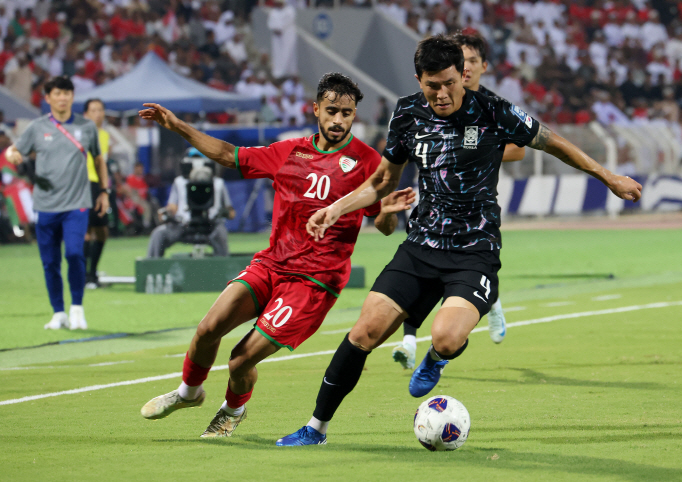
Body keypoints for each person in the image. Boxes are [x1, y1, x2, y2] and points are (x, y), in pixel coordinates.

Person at [277, 35, 642, 446]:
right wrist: (337, 208)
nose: (442, 93)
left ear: (461, 76)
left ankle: (435, 359)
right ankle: (315, 428)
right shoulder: (407, 112)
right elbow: (383, 180)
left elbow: (552, 141)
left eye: (449, 82)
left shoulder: (493, 109)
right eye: (432, 85)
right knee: (364, 331)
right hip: (421, 247)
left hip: (474, 251)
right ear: (420, 80)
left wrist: (609, 178)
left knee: (447, 338)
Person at [138, 73, 415, 438]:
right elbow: (227, 155)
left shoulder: (367, 162)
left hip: (313, 283)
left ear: (354, 115)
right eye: (331, 111)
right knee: (208, 329)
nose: (338, 120)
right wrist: (176, 126)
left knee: (240, 360)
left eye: (346, 114)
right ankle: (189, 394)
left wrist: (387, 211)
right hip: (271, 264)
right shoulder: (289, 152)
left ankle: (233, 410)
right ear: (316, 109)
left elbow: (383, 227)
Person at [391, 33, 525, 370]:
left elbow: (520, 147)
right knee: (420, 255)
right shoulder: (432, 104)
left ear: (481, 67)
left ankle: (488, 304)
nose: (463, 71)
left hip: (476, 207)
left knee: (469, 263)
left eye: (470, 63)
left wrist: (480, 154)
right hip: (435, 202)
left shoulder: (492, 108)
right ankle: (409, 340)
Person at [4, 76, 109, 330]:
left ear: (72, 97)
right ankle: (58, 312)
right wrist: (13, 154)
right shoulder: (37, 127)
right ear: (48, 98)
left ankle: (77, 309)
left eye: (67, 93)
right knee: (49, 262)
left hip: (77, 203)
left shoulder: (87, 127)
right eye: (57, 93)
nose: (63, 97)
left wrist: (104, 191)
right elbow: (12, 151)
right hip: (45, 204)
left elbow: (98, 160)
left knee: (74, 253)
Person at [146, 149, 234, 258]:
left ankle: (224, 268)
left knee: (221, 234)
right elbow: (173, 207)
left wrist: (225, 213)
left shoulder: (218, 183)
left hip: (211, 225)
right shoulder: (179, 182)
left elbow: (230, 211)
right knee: (159, 234)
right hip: (183, 225)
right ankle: (153, 268)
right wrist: (166, 212)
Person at [82, 98, 112, 289]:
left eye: (100, 110)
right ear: (86, 114)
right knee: (85, 231)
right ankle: (86, 276)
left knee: (101, 232)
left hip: (100, 187)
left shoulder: (105, 136)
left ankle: (92, 273)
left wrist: (105, 190)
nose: (98, 114)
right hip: (83, 184)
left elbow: (103, 164)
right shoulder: (80, 133)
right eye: (93, 110)